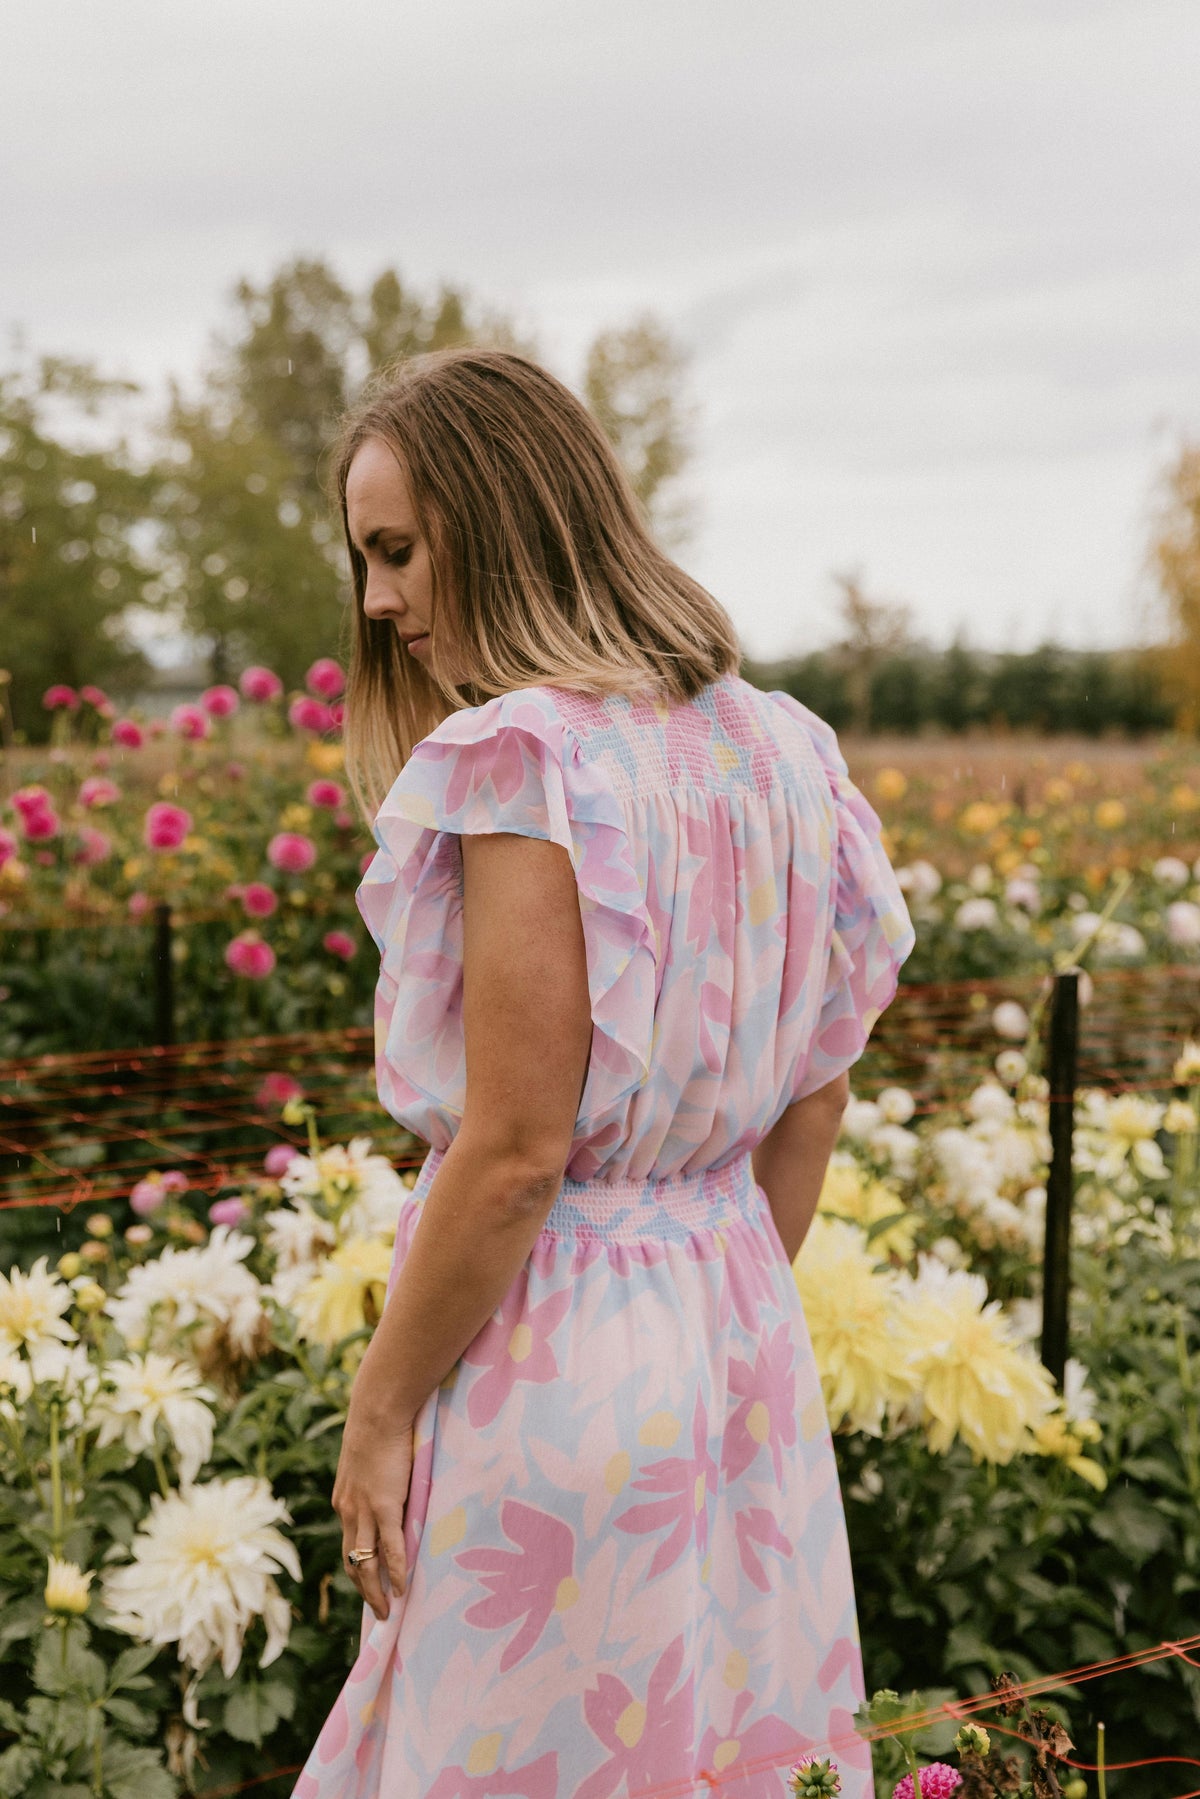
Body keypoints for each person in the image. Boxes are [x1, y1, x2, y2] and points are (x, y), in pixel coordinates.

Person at [291, 347, 914, 1798]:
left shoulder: (528, 759)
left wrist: (378, 1412)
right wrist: (704, 1282)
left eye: (396, 551)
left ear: (501, 523)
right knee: (717, 1751)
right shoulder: (784, 750)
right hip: (735, 1333)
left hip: (553, 1352)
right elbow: (814, 1094)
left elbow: (515, 1157)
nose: (378, 601)